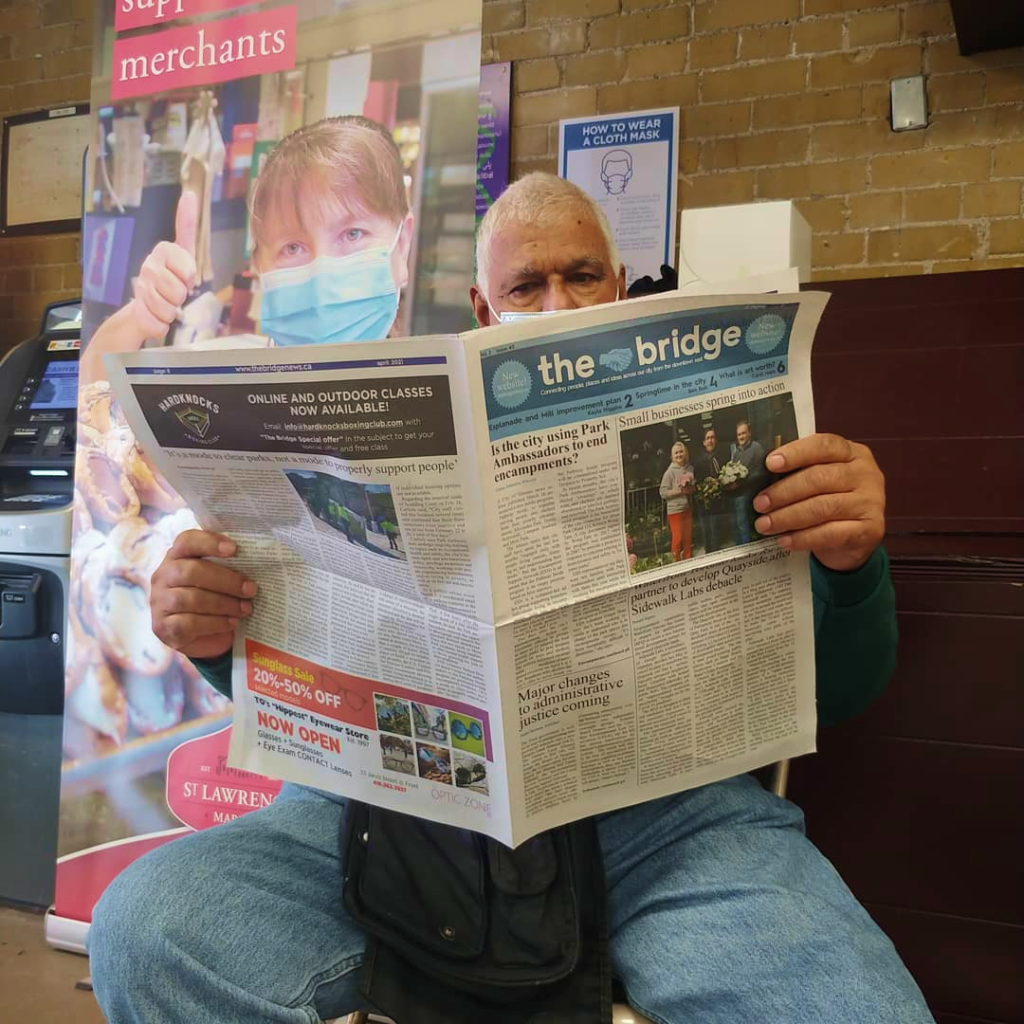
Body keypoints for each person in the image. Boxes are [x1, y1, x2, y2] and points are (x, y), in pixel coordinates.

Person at [90, 173, 933, 1024]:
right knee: (147, 933)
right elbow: (306, 676)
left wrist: (852, 564)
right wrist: (211, 635)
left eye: (582, 274)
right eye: (527, 286)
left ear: (618, 277)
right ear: (484, 307)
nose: (558, 302)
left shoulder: (730, 424)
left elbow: (845, 690)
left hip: (663, 820)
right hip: (390, 809)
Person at [79, 115, 414, 387]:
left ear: (402, 243)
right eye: (293, 247)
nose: (322, 271)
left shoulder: (456, 406)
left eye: (352, 234)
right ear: (259, 267)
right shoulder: (225, 381)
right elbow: (91, 401)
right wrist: (138, 318)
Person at [729, 419, 768, 545]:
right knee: (735, 520)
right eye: (739, 434)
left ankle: (746, 545)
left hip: (752, 491)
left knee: (741, 513)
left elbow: (762, 472)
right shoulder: (737, 453)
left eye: (743, 433)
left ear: (749, 433)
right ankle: (740, 544)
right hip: (738, 492)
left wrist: (743, 481)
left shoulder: (757, 448)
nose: (741, 436)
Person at [659, 441, 695, 561]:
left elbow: (693, 486)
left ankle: (688, 559)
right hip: (675, 511)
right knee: (678, 538)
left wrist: (691, 489)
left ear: (685, 453)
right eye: (676, 453)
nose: (679, 455)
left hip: (688, 508)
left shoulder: (690, 469)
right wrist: (679, 491)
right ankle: (675, 562)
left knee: (687, 538)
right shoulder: (669, 472)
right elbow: (663, 493)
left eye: (681, 452)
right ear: (672, 456)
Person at [693, 425, 728, 554]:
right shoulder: (697, 460)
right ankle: (708, 553)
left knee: (716, 529)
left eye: (712, 437)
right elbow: (695, 480)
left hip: (718, 500)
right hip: (703, 501)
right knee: (706, 530)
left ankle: (717, 553)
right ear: (704, 442)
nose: (710, 440)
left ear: (716, 440)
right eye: (708, 438)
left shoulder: (723, 457)